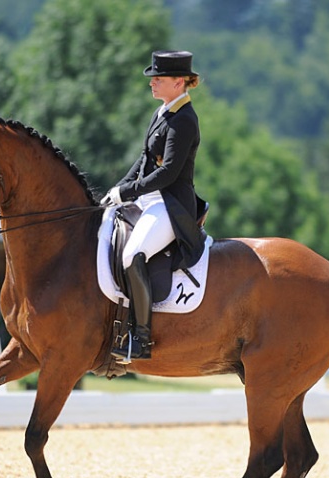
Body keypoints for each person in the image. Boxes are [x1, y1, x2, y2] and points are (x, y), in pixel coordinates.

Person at [102, 50, 206, 361]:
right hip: (151, 198)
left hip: (171, 204)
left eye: (158, 78)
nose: (152, 83)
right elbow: (144, 160)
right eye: (152, 79)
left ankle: (141, 339)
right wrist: (118, 190)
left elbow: (168, 173)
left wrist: (129, 192)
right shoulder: (162, 112)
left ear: (178, 82)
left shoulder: (185, 119)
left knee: (134, 253)